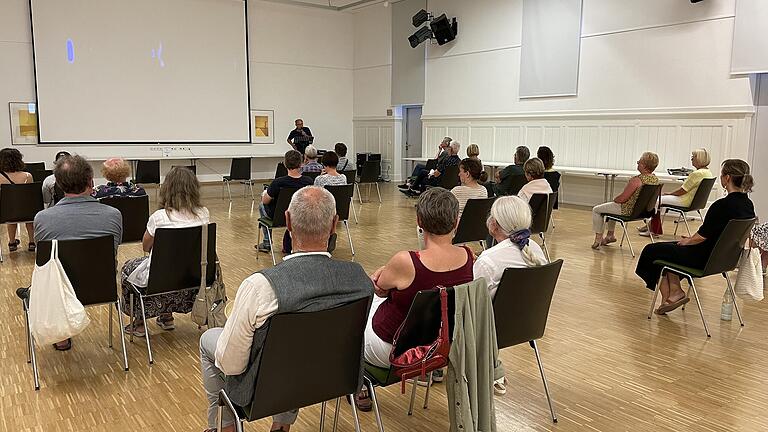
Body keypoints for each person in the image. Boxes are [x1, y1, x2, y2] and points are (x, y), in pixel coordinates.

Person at [199, 186, 374, 432]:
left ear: (288, 221)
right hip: (330, 381)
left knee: (209, 339)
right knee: (301, 347)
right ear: (335, 224)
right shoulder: (360, 281)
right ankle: (282, 426)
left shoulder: (260, 287)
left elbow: (231, 366)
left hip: (267, 388)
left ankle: (225, 426)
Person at [358, 188, 474, 407]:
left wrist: (384, 273)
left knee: (355, 312)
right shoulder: (468, 257)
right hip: (440, 344)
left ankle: (358, 384)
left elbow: (378, 287)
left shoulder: (406, 261)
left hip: (393, 348)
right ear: (456, 222)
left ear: (419, 220)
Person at [635, 159, 755, 314]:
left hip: (703, 258)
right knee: (668, 250)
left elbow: (702, 236)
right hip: (723, 259)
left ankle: (671, 295)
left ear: (727, 178)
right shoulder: (748, 205)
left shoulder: (722, 205)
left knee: (651, 250)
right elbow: (713, 233)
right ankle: (672, 294)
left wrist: (689, 240)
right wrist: (691, 239)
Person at [31, 154, 123, 351]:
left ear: (59, 185)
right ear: (91, 182)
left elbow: (44, 261)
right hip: (102, 288)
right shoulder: (113, 215)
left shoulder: (42, 219)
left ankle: (61, 337)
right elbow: (114, 249)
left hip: (58, 291)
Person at [120, 167, 210, 336]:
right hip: (194, 277)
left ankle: (139, 322)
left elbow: (146, 247)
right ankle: (166, 316)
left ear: (166, 189)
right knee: (171, 269)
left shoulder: (159, 217)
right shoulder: (204, 214)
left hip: (160, 279)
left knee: (128, 269)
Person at [472, 195, 547, 396]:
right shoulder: (537, 250)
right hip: (528, 325)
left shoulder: (489, 260)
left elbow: (474, 306)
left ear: (494, 225)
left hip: (491, 331)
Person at [591, 152, 659, 249]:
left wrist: (615, 199)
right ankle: (610, 236)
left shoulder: (636, 180)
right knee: (610, 208)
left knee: (597, 210)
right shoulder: (655, 180)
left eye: (639, 161)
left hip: (627, 211)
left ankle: (598, 239)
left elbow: (622, 199)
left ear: (644, 165)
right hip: (642, 212)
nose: (637, 163)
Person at [639, 148, 713, 236]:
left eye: (693, 157)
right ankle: (651, 225)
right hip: (696, 203)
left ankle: (653, 229)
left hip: (685, 201)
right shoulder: (708, 173)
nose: (691, 159)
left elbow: (682, 191)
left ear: (699, 159)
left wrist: (669, 194)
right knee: (660, 200)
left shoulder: (697, 174)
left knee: (656, 200)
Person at [256, 150, 313, 253]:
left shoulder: (278, 182)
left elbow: (265, 201)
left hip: (280, 217)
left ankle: (267, 242)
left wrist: (265, 194)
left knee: (261, 205)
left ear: (285, 164)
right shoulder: (308, 181)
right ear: (300, 164)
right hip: (301, 215)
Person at [0, 148, 35, 252]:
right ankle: (32, 242)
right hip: (27, 211)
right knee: (30, 216)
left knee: (10, 214)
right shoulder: (27, 176)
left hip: (7, 213)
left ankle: (11, 242)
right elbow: (30, 195)